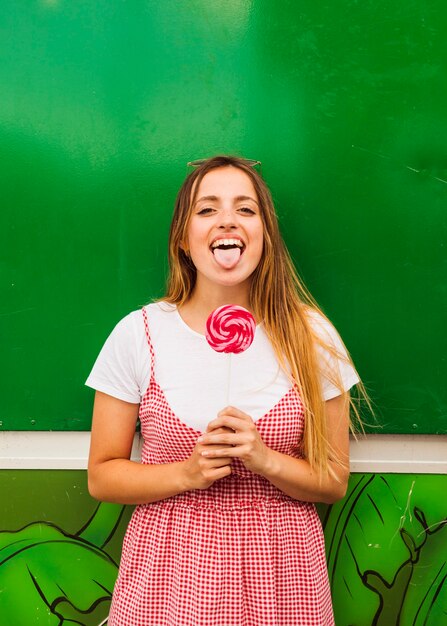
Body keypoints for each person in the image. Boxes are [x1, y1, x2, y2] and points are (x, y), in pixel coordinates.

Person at [86, 155, 363, 625]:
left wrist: (264, 457)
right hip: (169, 573)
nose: (228, 221)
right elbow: (102, 476)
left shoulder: (311, 335)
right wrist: (189, 472)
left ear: (265, 235)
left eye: (246, 209)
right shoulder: (139, 333)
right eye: (207, 209)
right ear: (182, 237)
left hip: (282, 571)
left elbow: (334, 481)